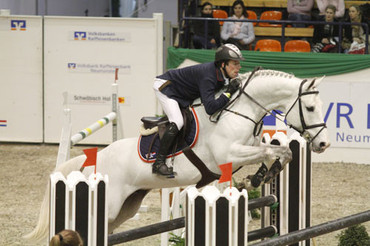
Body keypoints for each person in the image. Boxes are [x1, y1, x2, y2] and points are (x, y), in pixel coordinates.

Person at [152, 44, 244, 177]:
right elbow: (210, 108)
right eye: (235, 64)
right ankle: (158, 162)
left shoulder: (221, 72)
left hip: (183, 92)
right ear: (223, 64)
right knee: (178, 121)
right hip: (166, 87)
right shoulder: (208, 76)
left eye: (238, 64)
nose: (238, 67)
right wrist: (228, 93)